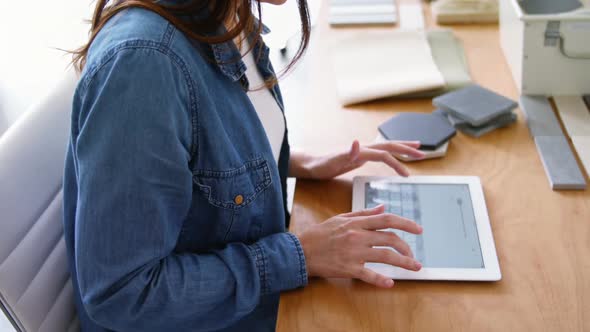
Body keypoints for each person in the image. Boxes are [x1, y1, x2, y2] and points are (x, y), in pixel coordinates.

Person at [63, 0, 426, 331]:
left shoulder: (229, 14)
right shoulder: (144, 65)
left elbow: (200, 157)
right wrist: (300, 255)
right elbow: (123, 294)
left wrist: (295, 162)